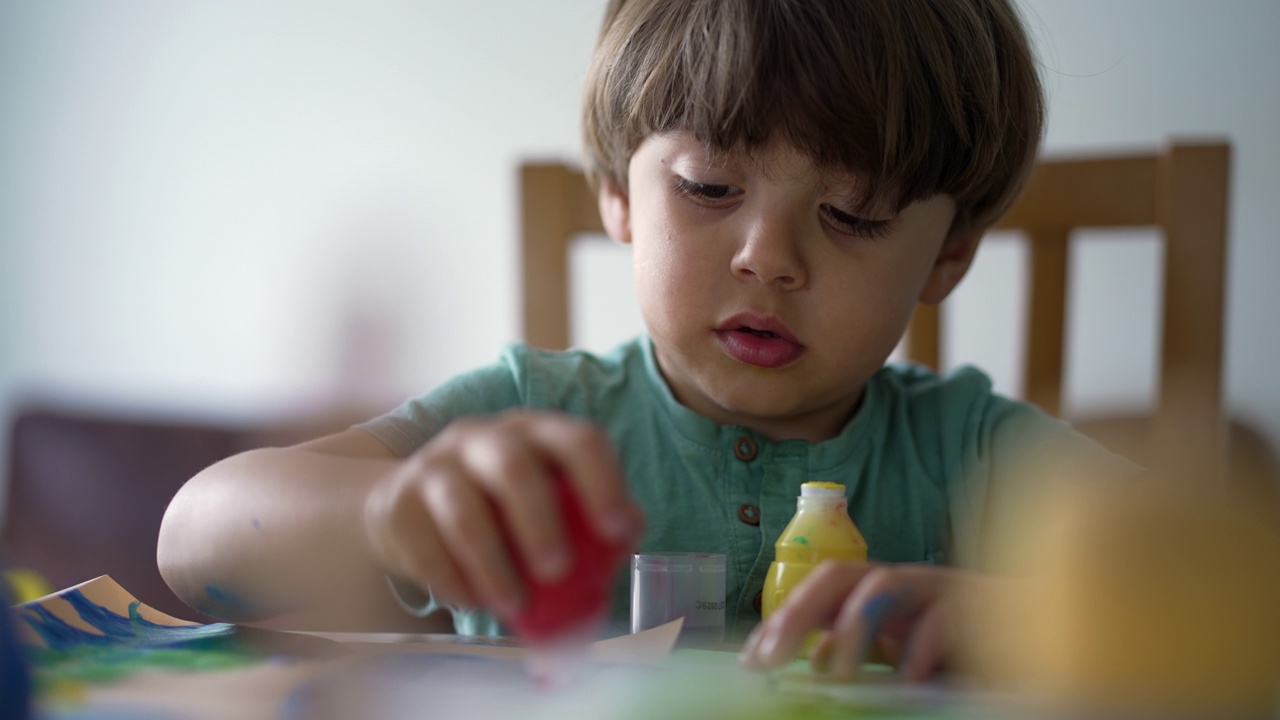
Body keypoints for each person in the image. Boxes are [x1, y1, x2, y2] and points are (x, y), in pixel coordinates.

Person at [158, 0, 1102, 680]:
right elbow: (194, 541)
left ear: (949, 257)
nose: (767, 260)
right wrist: (387, 512)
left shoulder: (972, 451)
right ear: (618, 195)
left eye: (853, 213)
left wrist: (1029, 613)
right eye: (707, 188)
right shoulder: (526, 416)